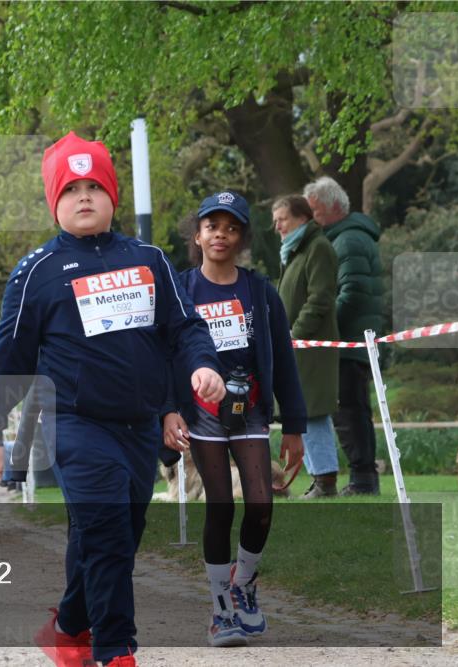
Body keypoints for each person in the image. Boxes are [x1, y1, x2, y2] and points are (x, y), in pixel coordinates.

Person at [0, 132, 224, 667]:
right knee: (107, 532)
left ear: (112, 195)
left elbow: (182, 331)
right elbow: (9, 356)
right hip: (74, 424)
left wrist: (201, 368)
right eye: (70, 188)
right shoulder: (36, 271)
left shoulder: (149, 259)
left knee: (113, 536)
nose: (83, 196)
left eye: (93, 186)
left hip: (138, 428)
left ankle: (68, 627)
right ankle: (116, 652)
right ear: (54, 202)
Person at [162, 192, 306, 647]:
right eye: (212, 226)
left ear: (242, 238)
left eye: (231, 228)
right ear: (197, 235)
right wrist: (168, 410)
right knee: (220, 506)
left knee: (261, 504)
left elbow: (283, 360)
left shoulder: (260, 292)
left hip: (250, 412)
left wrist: (295, 425)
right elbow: (163, 356)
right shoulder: (180, 290)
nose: (220, 235)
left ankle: (243, 583)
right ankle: (221, 610)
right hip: (201, 416)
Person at [304, 176, 383, 495]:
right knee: (352, 410)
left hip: (348, 342)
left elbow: (353, 293)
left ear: (334, 207)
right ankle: (362, 478)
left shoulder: (347, 241)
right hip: (350, 339)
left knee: (350, 411)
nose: (310, 218)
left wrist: (322, 327)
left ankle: (363, 480)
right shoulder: (345, 238)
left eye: (314, 211)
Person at [272, 194, 341, 498]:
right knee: (303, 410)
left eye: (282, 219)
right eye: (275, 221)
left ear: (302, 218)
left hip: (309, 346)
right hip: (297, 346)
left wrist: (296, 333)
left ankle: (325, 481)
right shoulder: (295, 250)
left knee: (313, 410)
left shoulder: (317, 248)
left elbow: (321, 297)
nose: (278, 226)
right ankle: (319, 478)